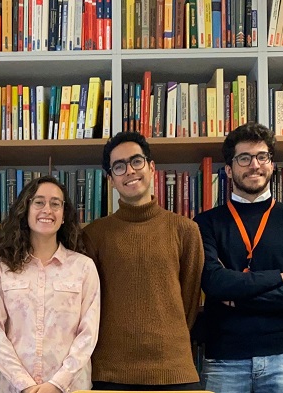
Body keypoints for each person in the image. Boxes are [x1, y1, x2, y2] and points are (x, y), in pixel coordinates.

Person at [192, 122, 283, 393]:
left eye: (262, 157)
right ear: (229, 169)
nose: (254, 165)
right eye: (244, 158)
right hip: (223, 360)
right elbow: (214, 284)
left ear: (272, 164)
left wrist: (236, 296)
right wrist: (278, 277)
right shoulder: (204, 224)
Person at [82, 132, 204, 391]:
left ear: (151, 167)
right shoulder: (93, 235)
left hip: (174, 370)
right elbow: (88, 305)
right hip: (110, 372)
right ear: (111, 180)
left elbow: (190, 301)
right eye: (119, 166)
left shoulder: (185, 230)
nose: (129, 171)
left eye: (136, 161)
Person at [0, 176, 100, 393]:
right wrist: (25, 385)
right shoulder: (2, 268)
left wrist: (56, 384)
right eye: (39, 202)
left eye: (55, 203)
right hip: (13, 388)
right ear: (25, 210)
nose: (47, 209)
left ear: (64, 215)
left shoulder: (84, 268)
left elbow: (88, 333)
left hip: (71, 388)